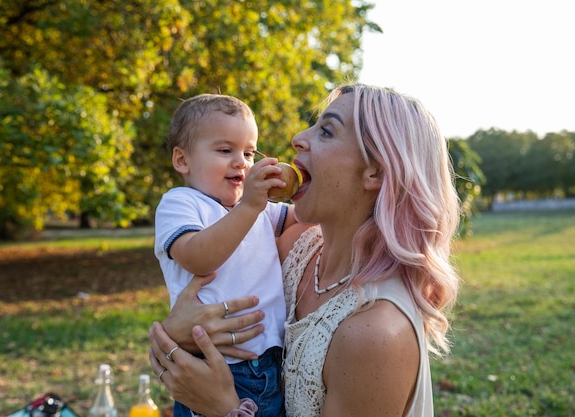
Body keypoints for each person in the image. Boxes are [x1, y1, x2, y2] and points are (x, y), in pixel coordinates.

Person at [149, 84, 461, 417]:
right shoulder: (293, 249)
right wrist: (175, 334)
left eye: (326, 131)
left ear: (375, 172)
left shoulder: (375, 332)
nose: (298, 137)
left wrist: (223, 408)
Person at [153, 93, 298, 417]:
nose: (242, 163)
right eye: (225, 150)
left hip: (270, 366)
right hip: (216, 366)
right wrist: (249, 205)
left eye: (249, 152)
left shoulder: (258, 210)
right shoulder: (181, 203)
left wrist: (300, 187)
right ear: (182, 160)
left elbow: (303, 215)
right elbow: (197, 257)